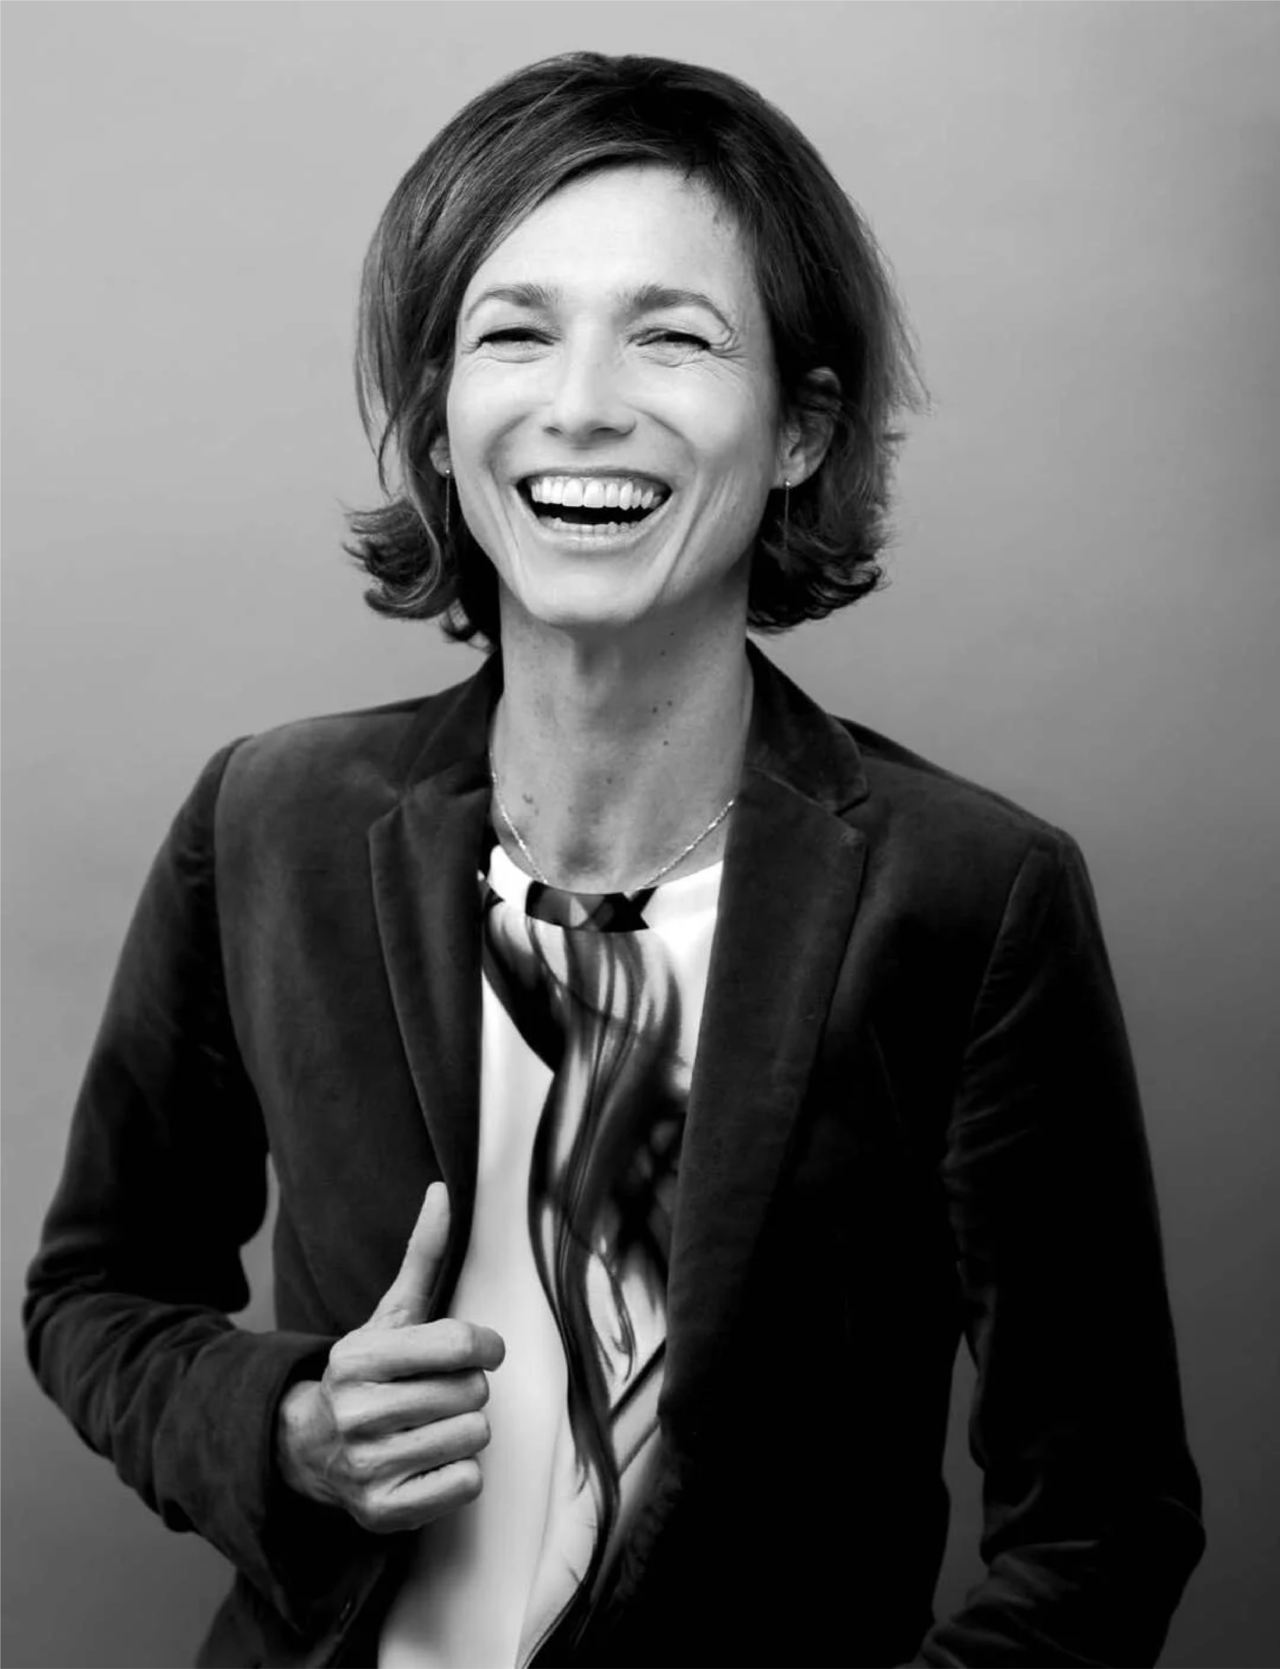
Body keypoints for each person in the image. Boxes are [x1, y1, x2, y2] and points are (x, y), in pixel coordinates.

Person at [24, 50, 1204, 1669]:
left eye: (674, 335)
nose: (582, 402)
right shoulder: (267, 822)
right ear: (441, 419)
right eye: (515, 333)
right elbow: (95, 1293)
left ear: (800, 430)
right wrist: (284, 1427)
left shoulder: (971, 897)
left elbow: (1103, 1526)